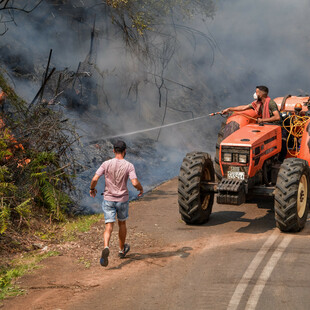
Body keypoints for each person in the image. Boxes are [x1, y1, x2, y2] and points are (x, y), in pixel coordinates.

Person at [90, 140, 143, 267]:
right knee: (122, 223)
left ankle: (106, 246)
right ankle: (121, 250)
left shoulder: (106, 163)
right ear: (125, 151)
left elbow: (95, 178)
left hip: (108, 198)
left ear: (113, 150)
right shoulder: (129, 165)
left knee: (109, 225)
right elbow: (134, 182)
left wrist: (92, 189)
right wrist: (140, 189)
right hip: (122, 200)